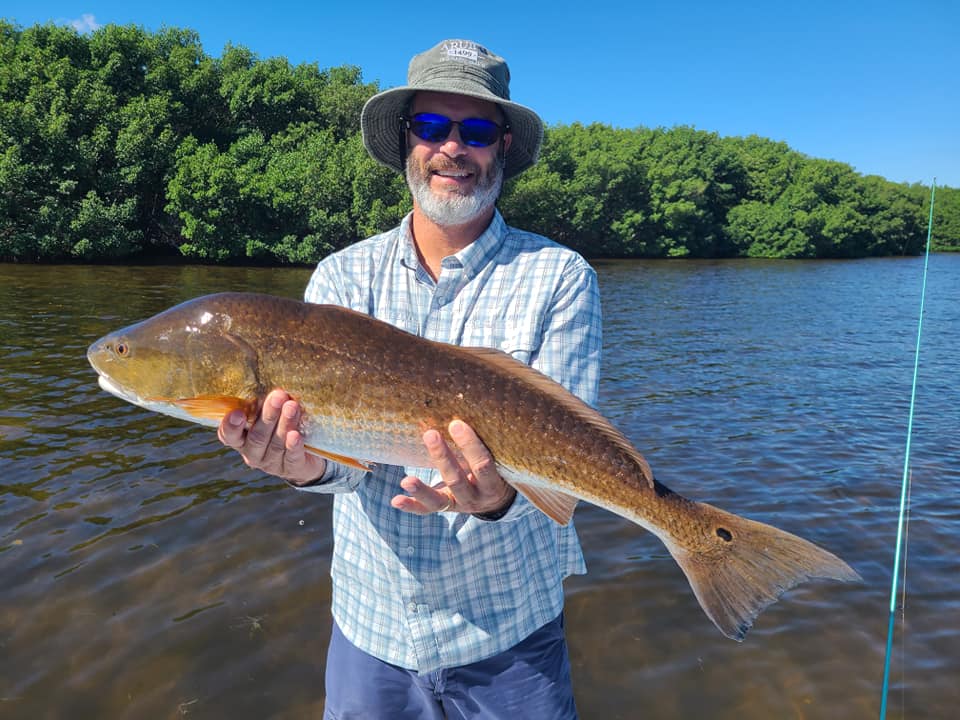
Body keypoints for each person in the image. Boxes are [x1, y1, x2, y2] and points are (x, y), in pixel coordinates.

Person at [218, 38, 602, 720]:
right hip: (372, 628)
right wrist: (302, 465)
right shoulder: (341, 278)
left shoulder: (560, 277)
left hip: (511, 633)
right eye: (431, 127)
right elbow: (346, 467)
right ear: (405, 142)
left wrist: (493, 501)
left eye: (476, 130)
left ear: (502, 148)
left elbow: (562, 469)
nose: (452, 148)